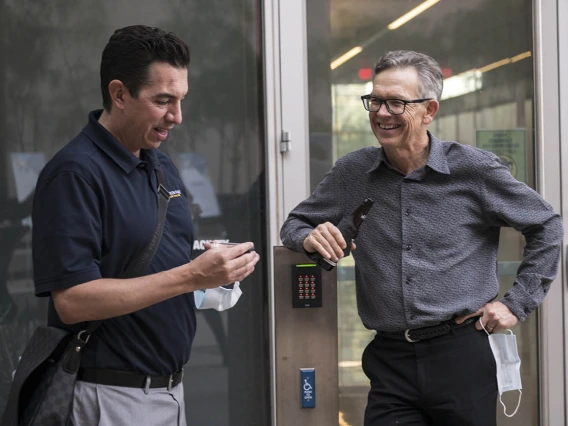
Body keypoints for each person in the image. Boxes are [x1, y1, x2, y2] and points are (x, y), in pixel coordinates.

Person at [280, 50, 563, 426]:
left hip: (462, 353)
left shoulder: (475, 170)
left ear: (429, 110)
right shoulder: (353, 171)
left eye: (396, 103)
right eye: (375, 101)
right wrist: (311, 237)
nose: (381, 113)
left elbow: (547, 225)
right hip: (390, 359)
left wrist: (516, 303)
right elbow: (294, 225)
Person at [32, 25, 259, 426]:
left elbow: (146, 260)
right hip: (107, 398)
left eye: (182, 100)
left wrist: (209, 270)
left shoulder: (160, 164)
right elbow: (72, 301)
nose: (178, 117)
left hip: (169, 394)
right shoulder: (73, 173)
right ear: (119, 94)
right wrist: (190, 276)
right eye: (163, 101)